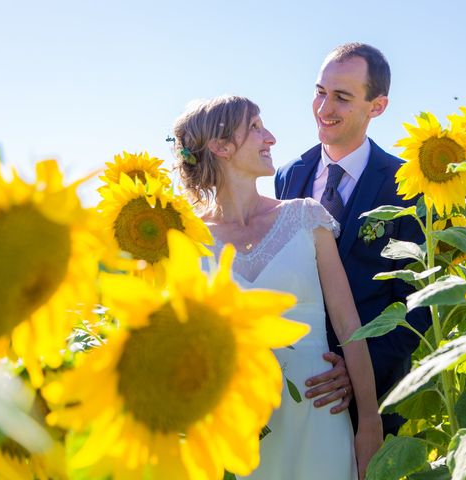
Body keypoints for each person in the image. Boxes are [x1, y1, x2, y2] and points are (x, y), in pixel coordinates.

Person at [171, 95, 382, 480]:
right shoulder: (187, 240)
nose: (270, 137)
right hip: (238, 430)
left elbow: (349, 325)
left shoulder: (305, 218)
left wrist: (369, 421)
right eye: (254, 128)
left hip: (321, 416)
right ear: (220, 146)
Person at [275, 42, 431, 436]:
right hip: (293, 389)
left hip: (373, 401)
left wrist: (358, 370)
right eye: (320, 92)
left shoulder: (408, 188)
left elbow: (417, 304)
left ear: (376, 106)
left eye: (342, 98)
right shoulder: (289, 176)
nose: (324, 108)